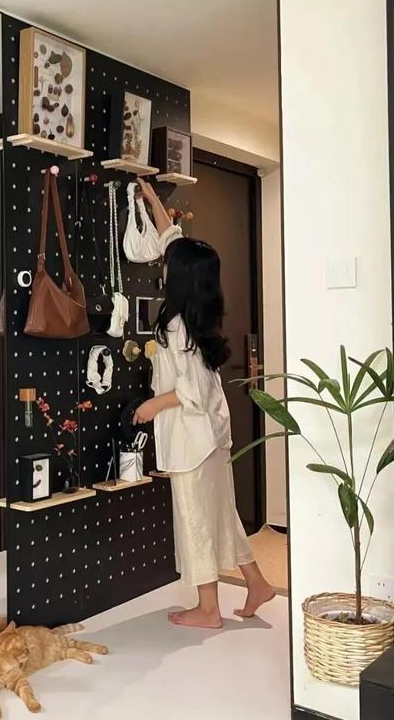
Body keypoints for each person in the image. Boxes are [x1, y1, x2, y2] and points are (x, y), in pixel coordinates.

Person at [133, 178, 274, 629]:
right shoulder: (199, 316)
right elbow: (172, 239)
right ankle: (256, 582)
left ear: (178, 276)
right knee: (222, 512)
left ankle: (208, 609)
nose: (163, 264)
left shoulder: (176, 326)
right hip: (213, 435)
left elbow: (189, 391)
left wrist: (152, 406)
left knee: (195, 518)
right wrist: (151, 199)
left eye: (168, 264)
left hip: (192, 439)